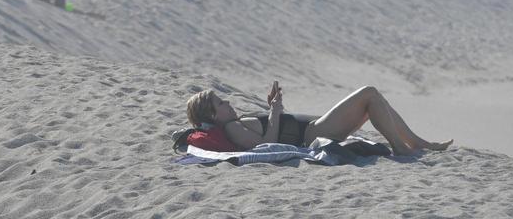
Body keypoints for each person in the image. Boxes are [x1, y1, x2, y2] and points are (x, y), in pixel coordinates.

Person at [184, 85, 452, 156]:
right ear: (212, 115)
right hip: (313, 134)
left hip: (314, 128)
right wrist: (274, 111)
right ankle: (402, 147)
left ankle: (418, 142)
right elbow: (266, 146)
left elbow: (270, 130)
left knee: (374, 99)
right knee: (369, 94)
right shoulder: (232, 128)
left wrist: (272, 107)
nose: (227, 102)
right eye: (221, 103)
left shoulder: (236, 122)